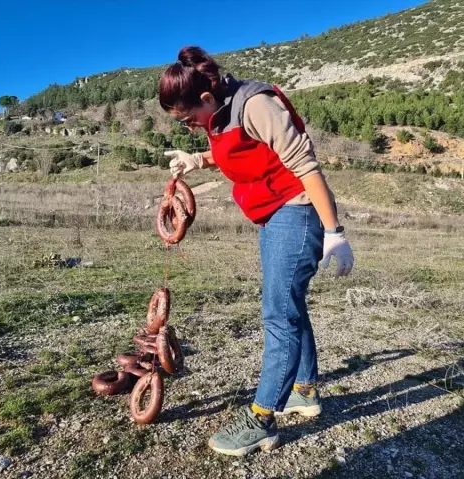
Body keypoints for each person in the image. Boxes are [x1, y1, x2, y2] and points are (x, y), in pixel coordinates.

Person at [159, 46, 354, 456]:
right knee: (290, 306)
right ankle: (304, 391)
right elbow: (243, 152)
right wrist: (196, 159)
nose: (191, 127)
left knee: (278, 314)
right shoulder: (222, 112)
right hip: (271, 215)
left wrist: (334, 231)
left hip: (296, 213)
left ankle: (262, 419)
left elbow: (306, 166)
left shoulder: (257, 104)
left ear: (207, 99)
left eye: (188, 119)